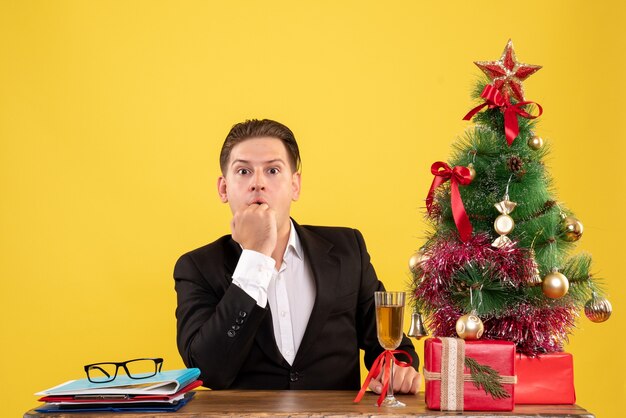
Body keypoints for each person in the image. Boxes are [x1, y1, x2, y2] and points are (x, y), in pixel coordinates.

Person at [174, 119, 421, 394]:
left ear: (295, 185)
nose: (258, 183)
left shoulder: (348, 249)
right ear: (223, 188)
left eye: (272, 170)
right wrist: (255, 257)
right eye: (243, 171)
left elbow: (392, 347)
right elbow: (208, 370)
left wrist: (395, 368)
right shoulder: (196, 267)